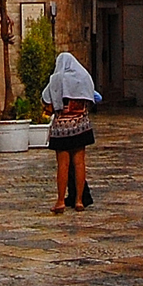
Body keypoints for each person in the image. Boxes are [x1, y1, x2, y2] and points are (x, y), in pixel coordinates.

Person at [42, 51, 98, 214]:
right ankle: (79, 200)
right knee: (79, 163)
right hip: (81, 125)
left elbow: (46, 98)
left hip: (62, 128)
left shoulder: (56, 79)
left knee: (63, 165)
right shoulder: (84, 77)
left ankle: (60, 201)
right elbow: (92, 97)